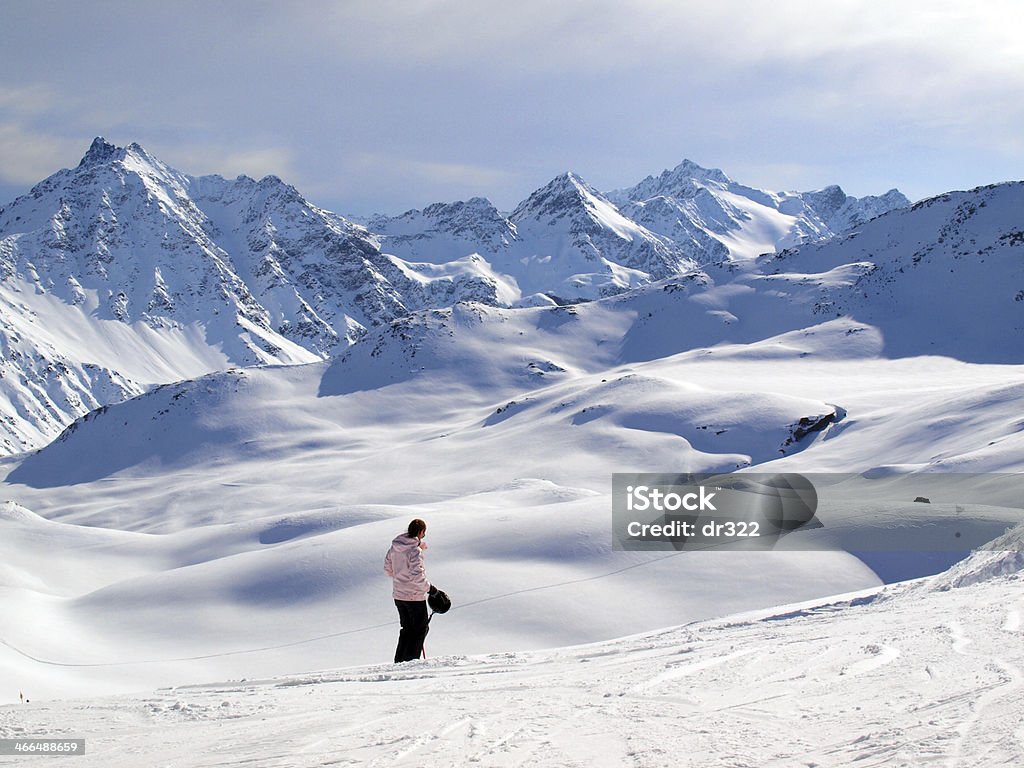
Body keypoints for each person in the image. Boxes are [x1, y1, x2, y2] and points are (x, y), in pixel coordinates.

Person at [383, 518, 438, 663]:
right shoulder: (414, 551)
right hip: (414, 597)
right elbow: (417, 577)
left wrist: (400, 577)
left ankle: (399, 662)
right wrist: (431, 589)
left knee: (406, 630)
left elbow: (388, 569)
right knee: (419, 631)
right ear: (421, 532)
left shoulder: (395, 547)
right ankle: (410, 663)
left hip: (399, 595)